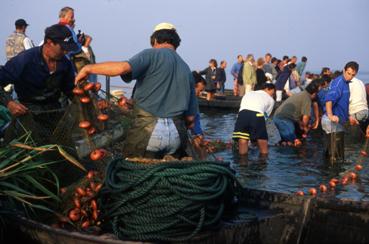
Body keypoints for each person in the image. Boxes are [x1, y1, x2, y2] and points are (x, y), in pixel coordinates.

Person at [75, 22, 198, 159]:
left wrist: (89, 68)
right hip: (177, 136)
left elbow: (122, 68)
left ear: (155, 40)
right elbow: (191, 118)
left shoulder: (152, 54)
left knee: (134, 172)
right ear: (175, 43)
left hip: (147, 131)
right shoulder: (186, 69)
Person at [0, 24, 78, 143]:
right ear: (49, 42)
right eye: (62, 48)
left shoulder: (65, 64)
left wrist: (87, 99)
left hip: (54, 115)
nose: (66, 51)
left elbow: (70, 90)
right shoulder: (25, 60)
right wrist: (9, 103)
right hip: (28, 114)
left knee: (60, 152)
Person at [321, 61, 359, 162]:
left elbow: (343, 104)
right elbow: (329, 100)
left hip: (338, 123)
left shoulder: (346, 84)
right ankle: (329, 176)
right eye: (348, 73)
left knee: (338, 156)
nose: (350, 76)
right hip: (331, 123)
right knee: (333, 158)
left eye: (353, 75)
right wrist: (330, 115)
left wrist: (349, 116)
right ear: (344, 70)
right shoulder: (339, 83)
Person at [233, 83, 275, 156]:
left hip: (242, 115)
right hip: (257, 115)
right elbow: (265, 116)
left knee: (243, 138)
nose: (272, 94)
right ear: (267, 89)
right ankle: (263, 162)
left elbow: (242, 108)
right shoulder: (270, 99)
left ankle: (242, 164)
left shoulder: (249, 93)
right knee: (262, 139)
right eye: (273, 92)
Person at [273, 81, 320, 146]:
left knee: (287, 142)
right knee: (296, 142)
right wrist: (305, 128)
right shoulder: (307, 98)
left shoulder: (303, 94)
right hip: (284, 119)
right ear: (314, 94)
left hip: (281, 117)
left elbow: (300, 117)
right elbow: (305, 117)